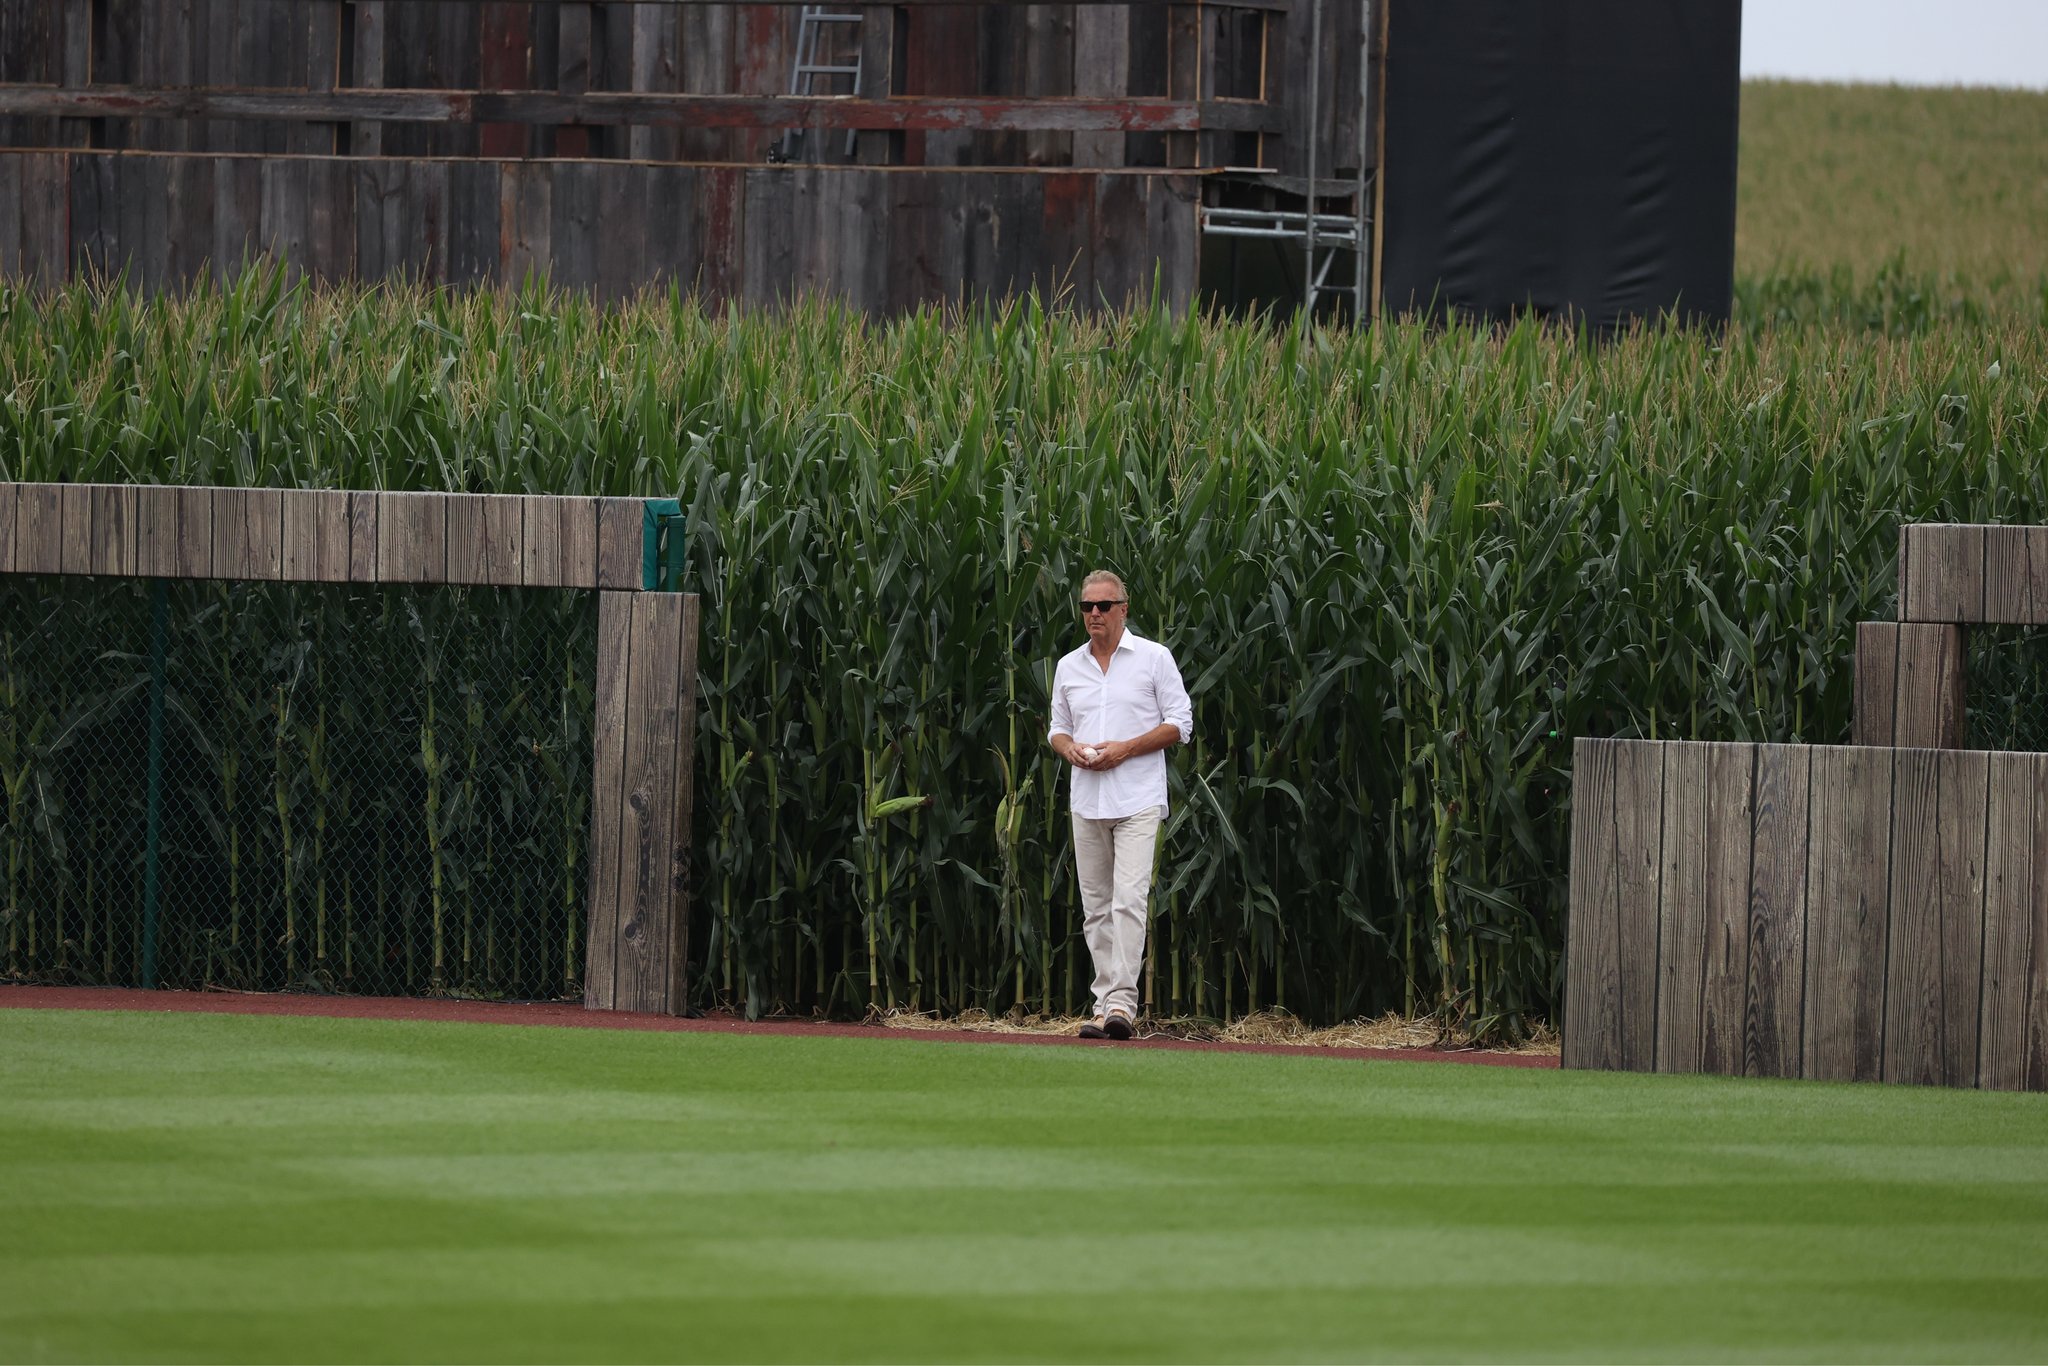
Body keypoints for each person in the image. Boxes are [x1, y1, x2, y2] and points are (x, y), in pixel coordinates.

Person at [1046, 570, 1193, 1040]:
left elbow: (1181, 723)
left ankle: (1122, 1007)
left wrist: (1125, 749)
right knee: (1096, 908)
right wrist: (1068, 749)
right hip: (1087, 800)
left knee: (1128, 901)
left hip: (1137, 799)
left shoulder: (1153, 658)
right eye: (1087, 606)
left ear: (1123, 609)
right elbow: (1057, 726)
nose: (1094, 614)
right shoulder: (1069, 666)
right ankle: (1103, 1001)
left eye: (1104, 606)